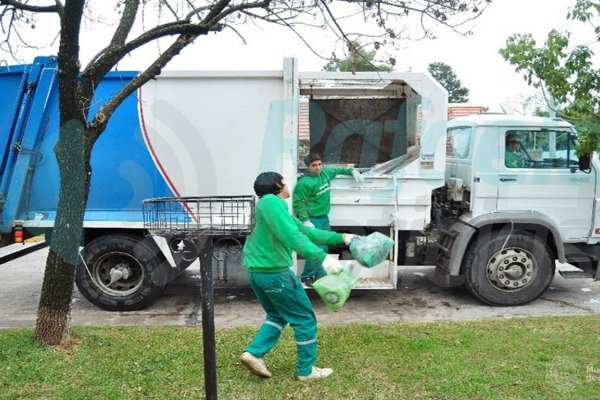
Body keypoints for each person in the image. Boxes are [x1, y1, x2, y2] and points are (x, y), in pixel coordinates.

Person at [240, 171, 355, 381]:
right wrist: (322, 258)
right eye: (284, 181)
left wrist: (344, 237)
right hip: (275, 273)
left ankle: (253, 354)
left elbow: (307, 232)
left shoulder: (273, 208)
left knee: (277, 315)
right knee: (304, 319)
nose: (287, 184)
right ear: (277, 184)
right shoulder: (270, 202)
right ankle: (306, 370)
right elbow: (292, 237)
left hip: (259, 273)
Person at [293, 153, 364, 285]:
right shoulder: (304, 183)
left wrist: (352, 171)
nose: (318, 168)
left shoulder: (325, 173)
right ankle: (307, 277)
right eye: (314, 165)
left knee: (324, 248)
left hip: (324, 218)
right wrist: (305, 220)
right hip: (313, 220)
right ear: (307, 167)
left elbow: (338, 169)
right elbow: (298, 203)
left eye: (320, 164)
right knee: (317, 249)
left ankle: (320, 276)